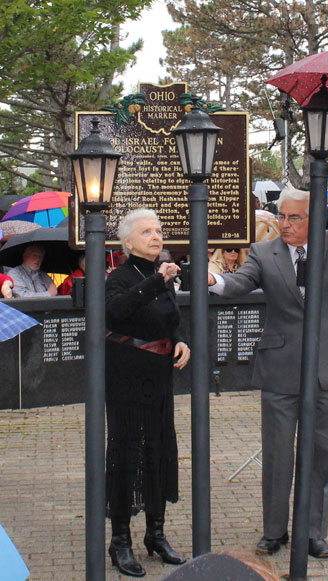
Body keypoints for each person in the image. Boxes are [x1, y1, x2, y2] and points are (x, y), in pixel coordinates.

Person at [207, 187, 328, 559]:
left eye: (294, 218)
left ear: (313, 218)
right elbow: (239, 282)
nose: (284, 225)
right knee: (276, 454)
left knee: (323, 452)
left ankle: (313, 532)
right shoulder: (263, 252)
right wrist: (213, 281)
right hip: (280, 368)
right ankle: (275, 531)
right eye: (281, 217)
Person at [105, 208, 191, 577]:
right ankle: (120, 540)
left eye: (158, 231)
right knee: (127, 453)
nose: (156, 237)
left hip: (159, 378)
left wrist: (180, 340)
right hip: (127, 378)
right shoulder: (119, 277)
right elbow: (118, 312)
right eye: (146, 232)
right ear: (128, 241)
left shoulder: (162, 277)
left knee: (159, 450)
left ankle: (155, 534)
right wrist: (157, 280)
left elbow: (169, 318)